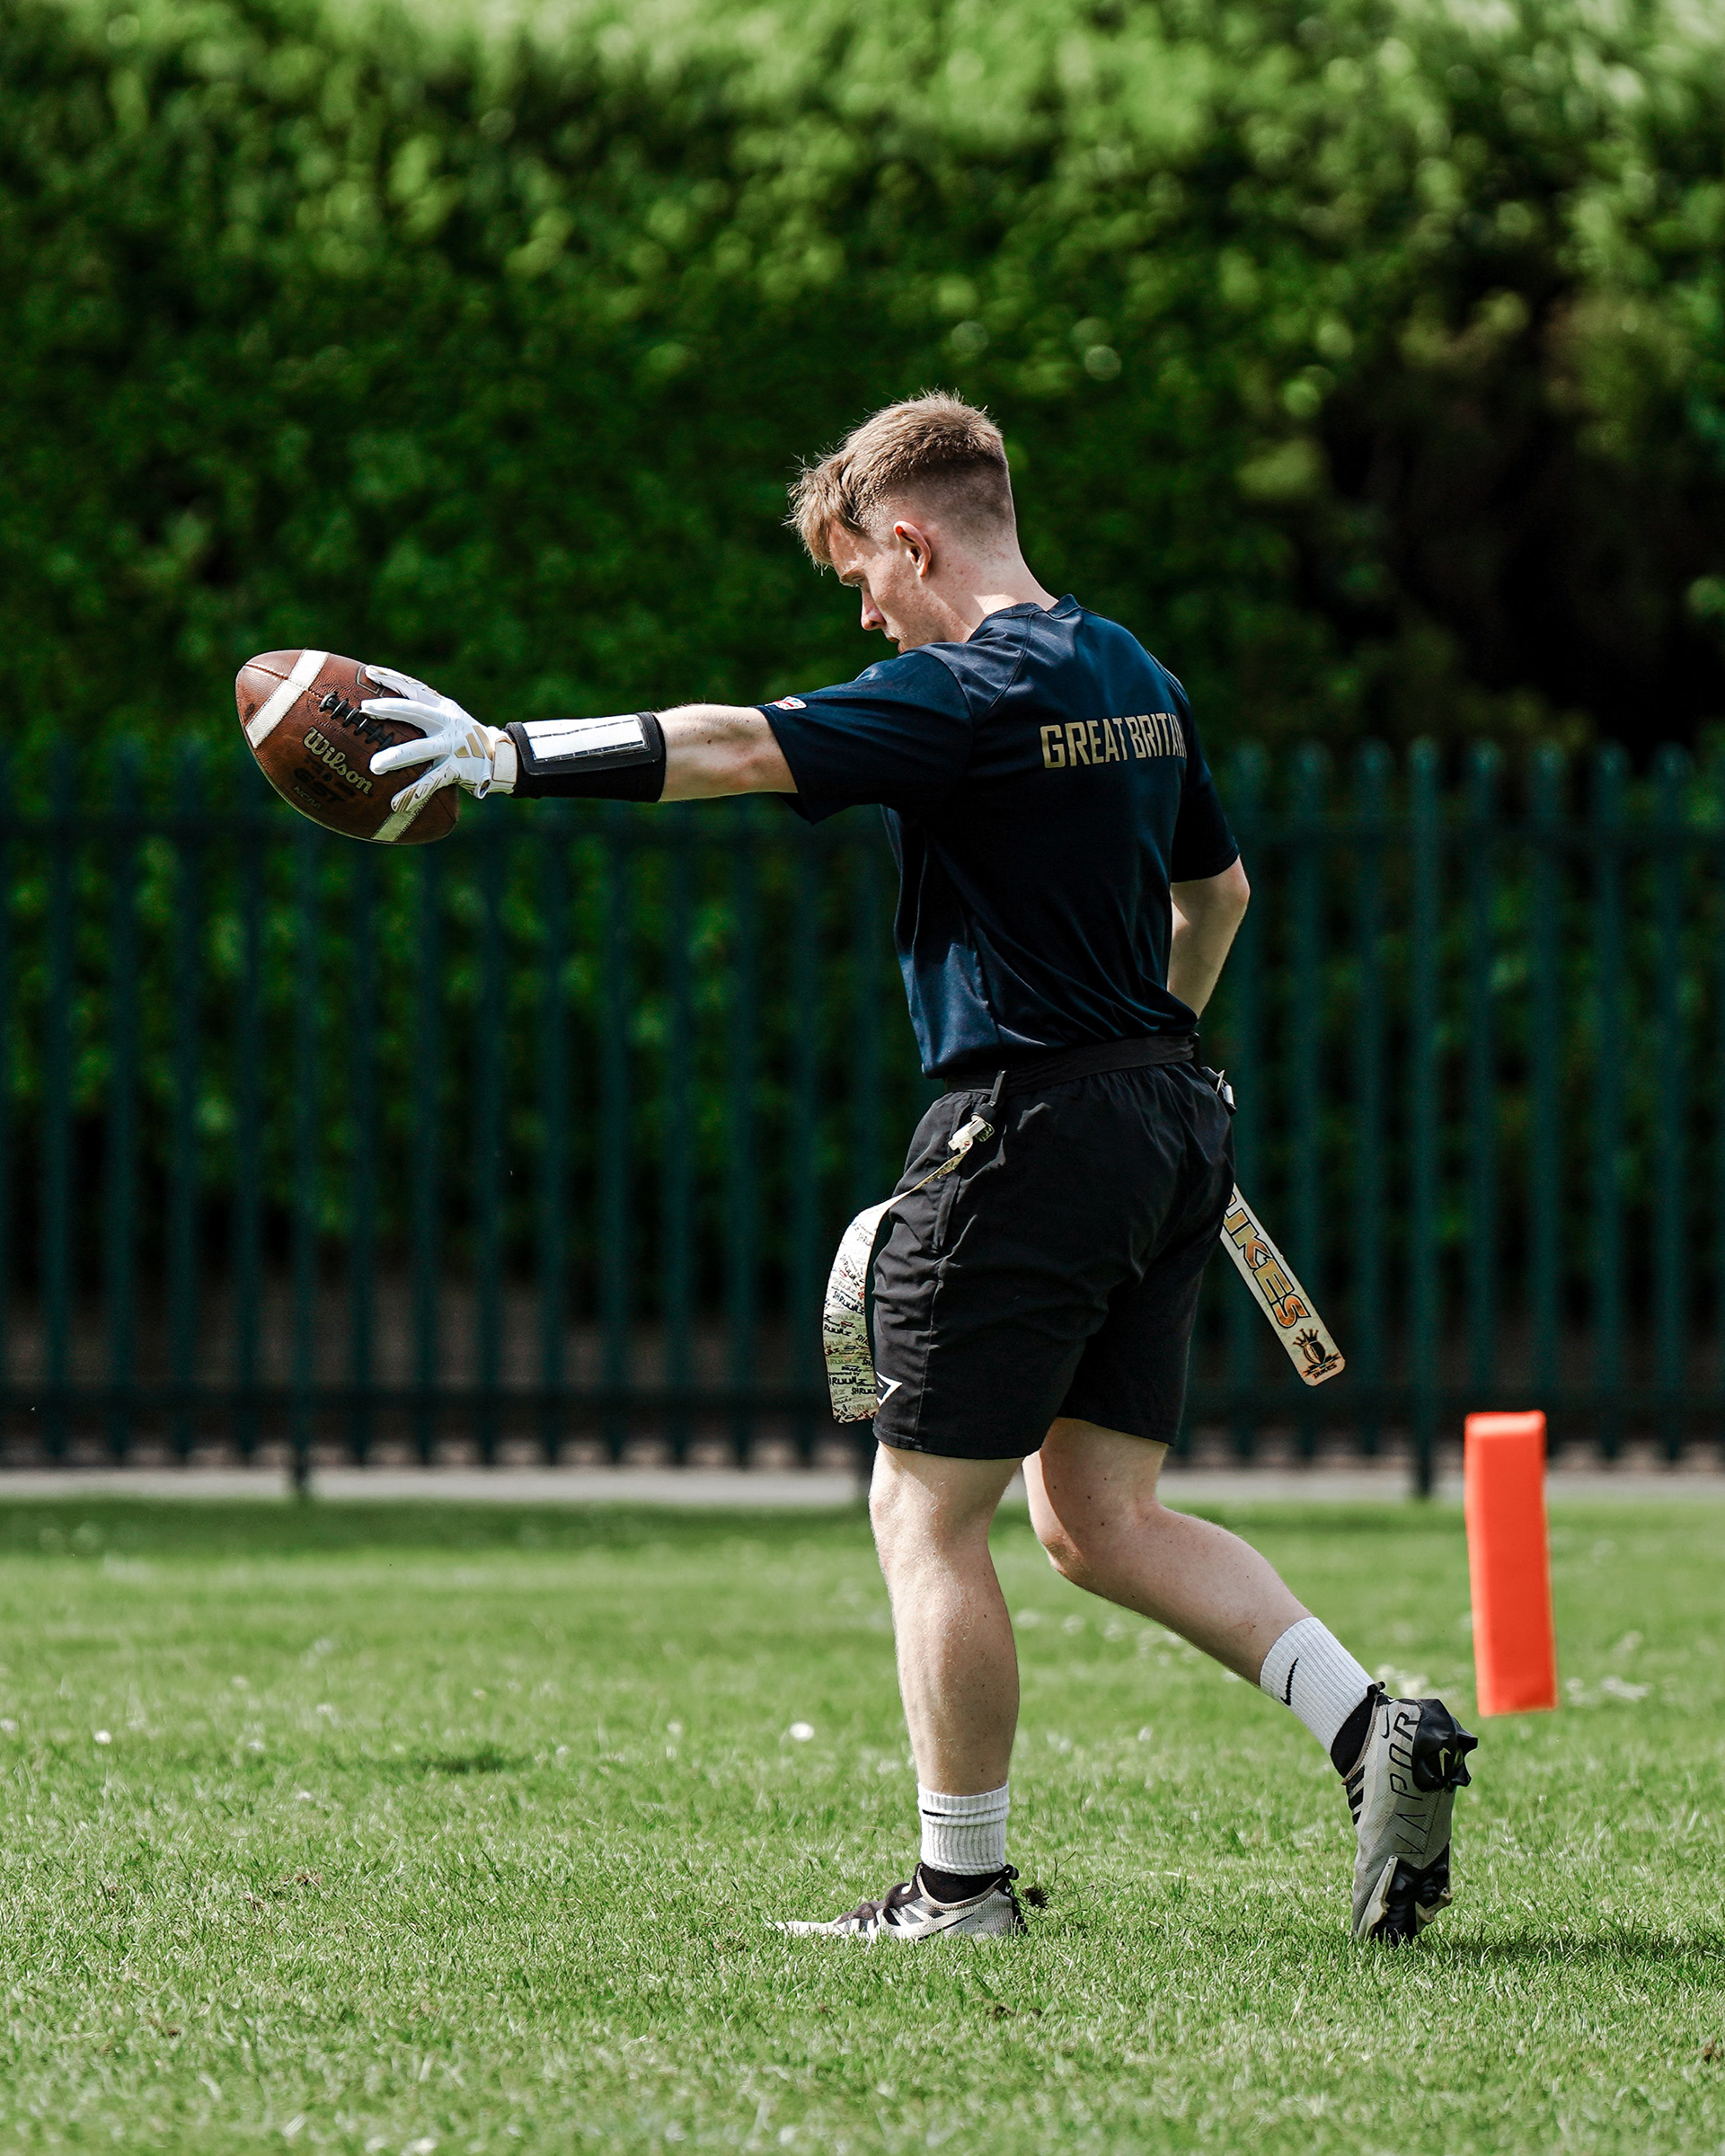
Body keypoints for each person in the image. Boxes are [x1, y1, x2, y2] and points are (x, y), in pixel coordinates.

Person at [359, 392, 1476, 1946]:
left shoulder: (963, 692)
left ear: (911, 537)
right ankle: (1373, 1728)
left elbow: (738, 746)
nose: (867, 617)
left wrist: (504, 754)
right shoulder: (1133, 671)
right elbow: (1216, 894)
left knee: (924, 1511)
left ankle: (959, 1891)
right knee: (1099, 1519)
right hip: (1165, 1112)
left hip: (1020, 1132)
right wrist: (1145, 1057)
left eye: (860, 580)